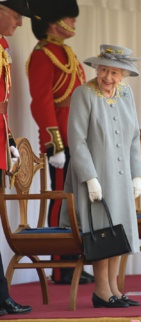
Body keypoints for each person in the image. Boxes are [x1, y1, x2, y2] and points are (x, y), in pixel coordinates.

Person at [60, 44, 141, 308]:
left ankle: (115, 289)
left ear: (124, 75)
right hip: (95, 177)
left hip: (121, 177)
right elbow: (77, 140)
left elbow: (133, 138)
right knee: (103, 233)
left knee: (119, 231)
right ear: (96, 68)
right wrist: (89, 177)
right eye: (104, 70)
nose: (108, 78)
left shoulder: (126, 94)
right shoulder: (83, 94)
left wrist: (137, 175)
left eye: (115, 73)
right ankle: (101, 290)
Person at [26, 0, 93, 285]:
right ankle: (59, 265)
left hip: (77, 136)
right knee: (60, 199)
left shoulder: (65, 52)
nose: (74, 22)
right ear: (54, 20)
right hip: (61, 141)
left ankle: (72, 259)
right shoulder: (43, 54)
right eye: (69, 17)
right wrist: (54, 143)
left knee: (77, 203)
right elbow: (41, 102)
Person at [0, 0, 32, 316]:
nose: (20, 22)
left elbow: (3, 101)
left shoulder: (2, 45)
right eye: (16, 15)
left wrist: (8, 138)